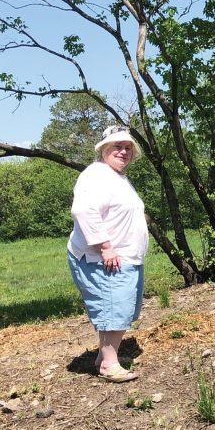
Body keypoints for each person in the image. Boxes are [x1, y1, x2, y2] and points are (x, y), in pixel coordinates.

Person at [67, 126, 149, 382]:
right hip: (103, 257)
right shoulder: (96, 175)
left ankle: (104, 357)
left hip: (124, 256)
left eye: (128, 148)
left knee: (120, 308)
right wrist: (105, 246)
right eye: (117, 147)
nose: (123, 152)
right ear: (104, 149)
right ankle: (109, 365)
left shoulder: (117, 177)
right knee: (113, 308)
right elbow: (84, 211)